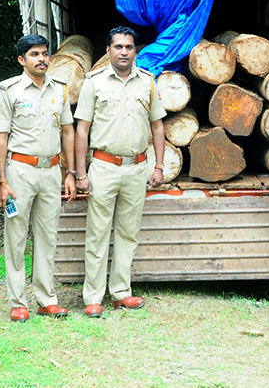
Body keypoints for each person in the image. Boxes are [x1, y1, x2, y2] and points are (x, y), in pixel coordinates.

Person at [74, 26, 167, 318]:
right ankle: (92, 296)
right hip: (103, 166)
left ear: (135, 50)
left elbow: (157, 126)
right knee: (98, 234)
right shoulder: (94, 82)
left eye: (129, 47)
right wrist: (80, 173)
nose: (124, 52)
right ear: (108, 51)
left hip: (137, 167)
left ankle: (121, 292)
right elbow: (82, 129)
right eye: (118, 47)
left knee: (128, 234)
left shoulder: (147, 82)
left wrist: (159, 166)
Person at [0, 34, 77, 322]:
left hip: (52, 171)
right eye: (34, 54)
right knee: (16, 236)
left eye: (44, 53)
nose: (41, 59)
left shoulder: (60, 90)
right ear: (21, 60)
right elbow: (0, 136)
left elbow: (68, 132)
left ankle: (46, 299)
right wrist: (2, 180)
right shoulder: (8, 89)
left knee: (48, 236)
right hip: (20, 172)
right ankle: (18, 302)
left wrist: (70, 173)